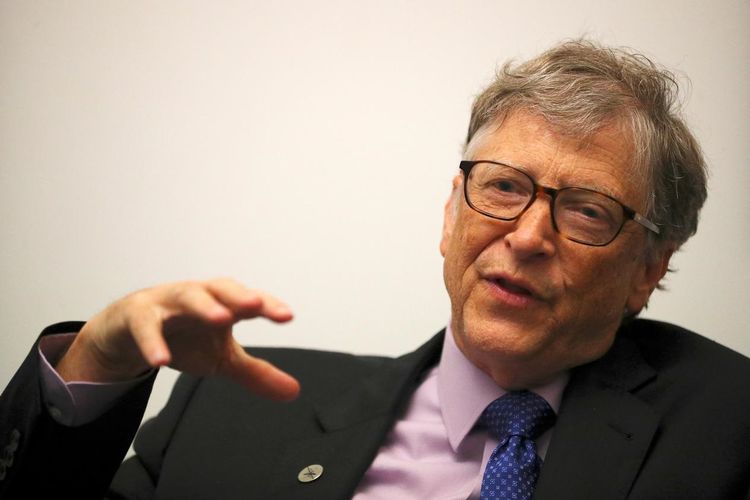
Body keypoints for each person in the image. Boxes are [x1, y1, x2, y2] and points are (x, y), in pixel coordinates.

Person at [1, 40, 749, 500]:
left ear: (649, 268)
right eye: (502, 187)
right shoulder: (230, 411)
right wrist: (97, 363)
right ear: (451, 214)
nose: (526, 237)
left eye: (586, 211)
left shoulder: (725, 428)